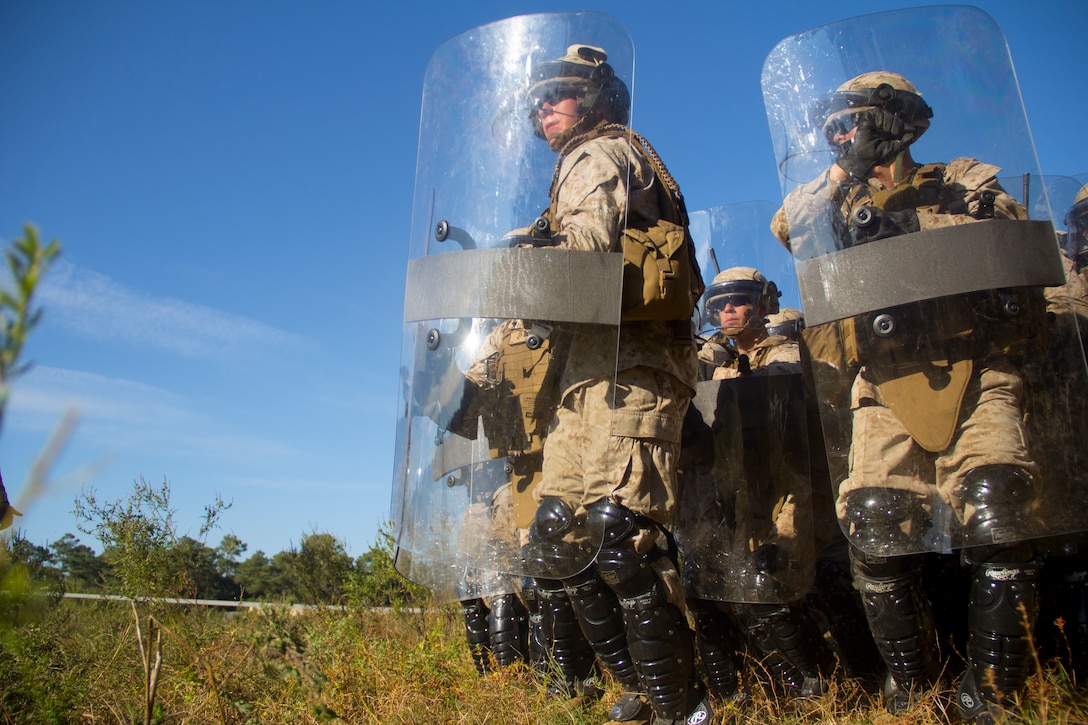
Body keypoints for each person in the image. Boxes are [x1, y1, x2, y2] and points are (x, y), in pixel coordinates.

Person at [772, 71, 1047, 722]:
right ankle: (914, 687)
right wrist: (847, 173)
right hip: (884, 380)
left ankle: (995, 695)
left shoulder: (966, 181)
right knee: (874, 520)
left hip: (978, 363)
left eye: (853, 120)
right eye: (830, 127)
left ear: (894, 118)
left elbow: (1011, 242)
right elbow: (791, 225)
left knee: (999, 508)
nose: (839, 133)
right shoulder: (831, 200)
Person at [522, 44, 711, 725]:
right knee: (557, 538)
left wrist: (513, 266)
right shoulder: (623, 154)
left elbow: (588, 255)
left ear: (597, 98)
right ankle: (645, 686)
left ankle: (684, 706)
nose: (545, 104)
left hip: (632, 368)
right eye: (539, 95)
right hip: (592, 370)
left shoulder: (598, 154)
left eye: (561, 92)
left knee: (618, 534)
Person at [680, 266, 837, 703]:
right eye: (719, 305)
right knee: (739, 590)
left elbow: (785, 389)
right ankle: (784, 686)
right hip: (747, 493)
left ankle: (824, 679)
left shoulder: (788, 350)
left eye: (738, 301)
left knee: (770, 582)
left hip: (795, 488)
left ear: (763, 303)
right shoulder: (725, 362)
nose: (728, 311)